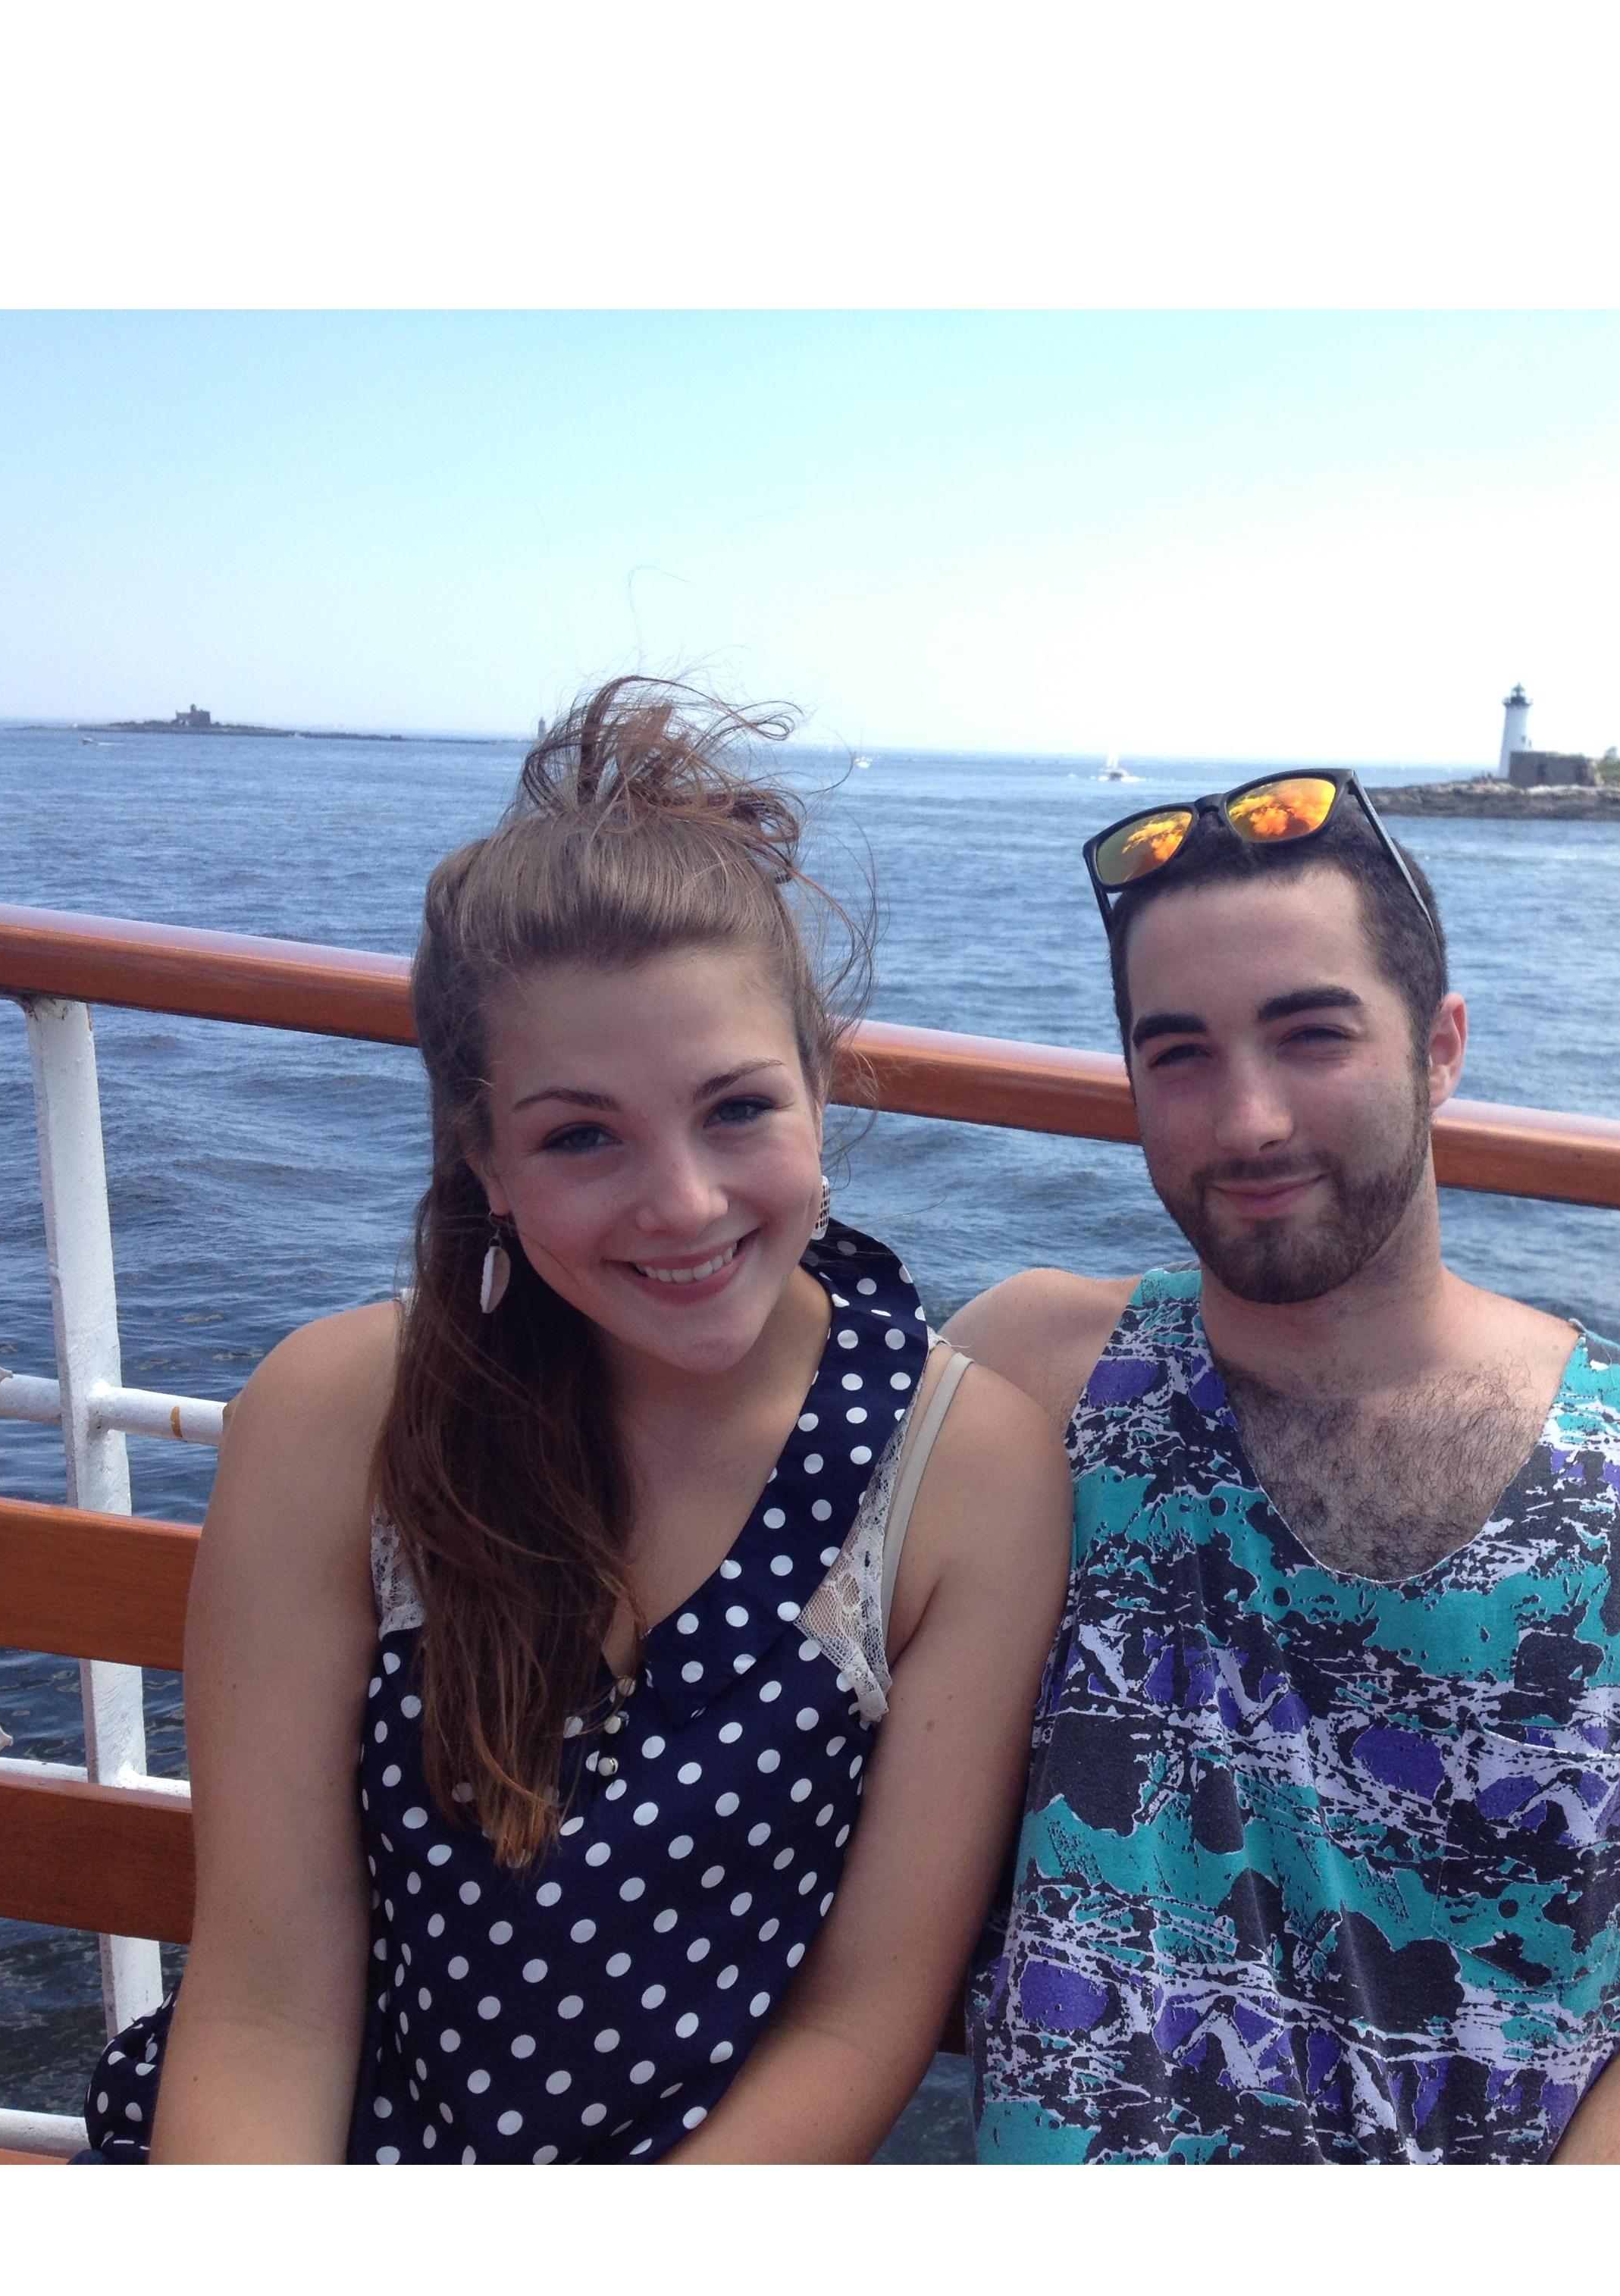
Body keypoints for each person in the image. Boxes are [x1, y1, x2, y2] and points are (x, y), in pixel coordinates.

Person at [84, 680, 1068, 2163]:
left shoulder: (960, 1472)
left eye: (737, 1110)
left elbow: (856, 2022)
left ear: (821, 1086)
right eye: (582, 1135)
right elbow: (271, 1999)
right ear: (481, 1152)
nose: (680, 1203)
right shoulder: (338, 1420)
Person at [951, 770, 1620, 2163]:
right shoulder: (1035, 1378)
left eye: (1311, 1036)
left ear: (1441, 1047)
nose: (1247, 1122)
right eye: (1178, 1054)